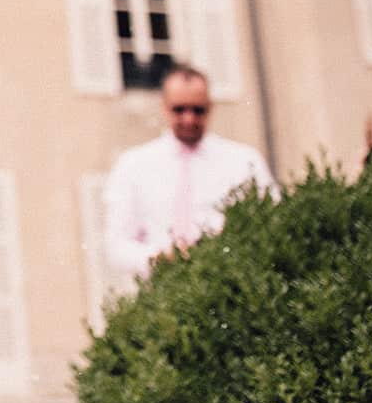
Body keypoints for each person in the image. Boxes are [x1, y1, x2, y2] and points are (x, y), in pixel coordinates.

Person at [103, 64, 275, 280]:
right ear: (164, 106)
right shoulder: (133, 164)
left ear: (210, 107)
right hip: (161, 292)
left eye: (197, 110)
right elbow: (116, 246)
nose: (189, 119)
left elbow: (270, 226)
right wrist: (158, 258)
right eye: (179, 109)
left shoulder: (245, 160)